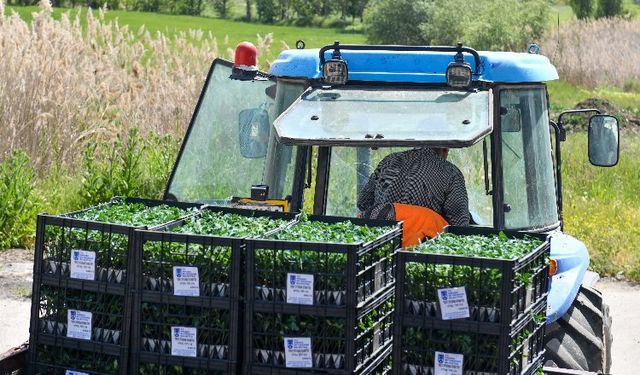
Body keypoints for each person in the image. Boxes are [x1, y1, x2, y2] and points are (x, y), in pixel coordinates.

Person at [357, 147, 470, 247]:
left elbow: (363, 202)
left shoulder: (388, 161)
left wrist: (388, 210)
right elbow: (459, 226)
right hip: (421, 250)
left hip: (379, 242)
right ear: (444, 149)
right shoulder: (451, 172)